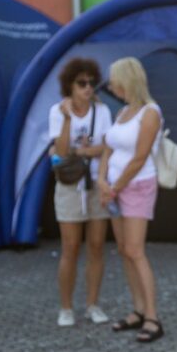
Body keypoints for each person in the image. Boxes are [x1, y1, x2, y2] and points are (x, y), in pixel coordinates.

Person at [98, 57, 165, 343]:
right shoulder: (123, 112)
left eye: (115, 79)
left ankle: (152, 316)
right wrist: (102, 180)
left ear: (127, 80)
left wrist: (114, 187)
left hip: (136, 186)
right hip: (114, 188)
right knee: (124, 250)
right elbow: (108, 148)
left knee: (136, 251)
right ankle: (137, 309)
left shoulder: (150, 112)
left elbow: (140, 156)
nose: (111, 85)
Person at [49, 57, 113, 327]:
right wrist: (66, 121)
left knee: (97, 246)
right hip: (70, 186)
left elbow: (107, 147)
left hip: (96, 182)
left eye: (91, 83)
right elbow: (60, 151)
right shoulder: (57, 111)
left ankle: (92, 304)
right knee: (70, 247)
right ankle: (66, 307)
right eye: (81, 83)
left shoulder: (102, 111)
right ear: (70, 85)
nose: (87, 88)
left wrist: (83, 150)